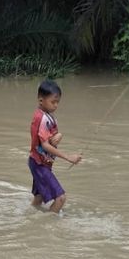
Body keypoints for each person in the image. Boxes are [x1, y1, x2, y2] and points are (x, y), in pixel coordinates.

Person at [28, 79, 82, 214]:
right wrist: (68, 157)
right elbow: (45, 145)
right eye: (53, 102)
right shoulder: (42, 118)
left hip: (38, 162)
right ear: (41, 100)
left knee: (39, 198)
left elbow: (48, 139)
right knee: (61, 198)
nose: (56, 105)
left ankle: (29, 219)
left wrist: (59, 136)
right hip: (39, 163)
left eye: (58, 102)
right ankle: (46, 225)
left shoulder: (47, 116)